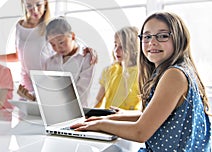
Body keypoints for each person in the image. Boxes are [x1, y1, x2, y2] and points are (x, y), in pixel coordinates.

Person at [71, 12, 211, 151]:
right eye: (147, 36)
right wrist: (113, 118)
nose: (152, 42)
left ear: (180, 39)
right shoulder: (177, 70)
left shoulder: (174, 75)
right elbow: (153, 116)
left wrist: (100, 124)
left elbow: (140, 132)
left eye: (162, 36)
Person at [0, 0, 97, 100]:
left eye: (38, 4)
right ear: (23, 5)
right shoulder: (19, 27)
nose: (34, 10)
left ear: (45, 3)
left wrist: (88, 50)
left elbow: (68, 41)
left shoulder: (51, 25)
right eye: (29, 6)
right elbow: (19, 55)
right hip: (28, 82)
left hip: (50, 80)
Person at [44, 18, 94, 107]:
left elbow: (82, 93)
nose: (58, 48)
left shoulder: (86, 58)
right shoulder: (50, 62)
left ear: (73, 36)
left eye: (61, 42)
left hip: (79, 111)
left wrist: (55, 98)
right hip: (54, 110)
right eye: (53, 44)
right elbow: (46, 89)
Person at [95, 26, 141, 110]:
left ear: (133, 48)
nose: (116, 50)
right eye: (115, 45)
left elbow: (143, 109)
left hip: (130, 121)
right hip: (109, 118)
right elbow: (98, 100)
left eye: (122, 47)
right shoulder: (108, 70)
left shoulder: (141, 73)